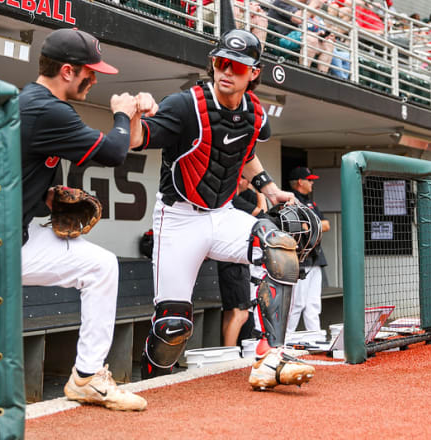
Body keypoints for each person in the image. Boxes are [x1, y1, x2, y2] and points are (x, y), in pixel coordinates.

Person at [0, 28, 157, 411]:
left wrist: (48, 199)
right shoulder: (42, 108)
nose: (94, 78)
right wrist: (122, 114)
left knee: (99, 266)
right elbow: (114, 151)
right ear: (66, 70)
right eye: (89, 71)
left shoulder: (37, 106)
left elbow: (21, 181)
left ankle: (88, 377)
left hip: (16, 239)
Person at [130, 29, 316, 390]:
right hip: (179, 218)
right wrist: (134, 115)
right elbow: (139, 139)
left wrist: (270, 188)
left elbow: (244, 153)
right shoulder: (185, 105)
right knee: (172, 327)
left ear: (254, 72)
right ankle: (150, 386)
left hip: (223, 214)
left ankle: (271, 355)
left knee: (279, 248)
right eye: (220, 62)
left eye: (236, 65)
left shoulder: (255, 115)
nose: (226, 71)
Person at [217, 177, 267, 347]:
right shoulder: (233, 200)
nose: (248, 182)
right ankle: (229, 354)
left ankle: (227, 352)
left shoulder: (227, 199)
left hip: (227, 260)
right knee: (241, 314)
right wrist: (261, 190)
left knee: (231, 313)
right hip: (234, 262)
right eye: (245, 177)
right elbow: (263, 215)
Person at [286, 166, 330, 333]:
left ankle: (314, 337)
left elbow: (326, 225)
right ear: (300, 182)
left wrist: (312, 225)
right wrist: (314, 225)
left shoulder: (310, 202)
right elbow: (301, 227)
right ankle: (285, 339)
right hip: (299, 258)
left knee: (313, 303)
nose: (312, 183)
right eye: (309, 180)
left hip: (315, 257)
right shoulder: (291, 200)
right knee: (297, 303)